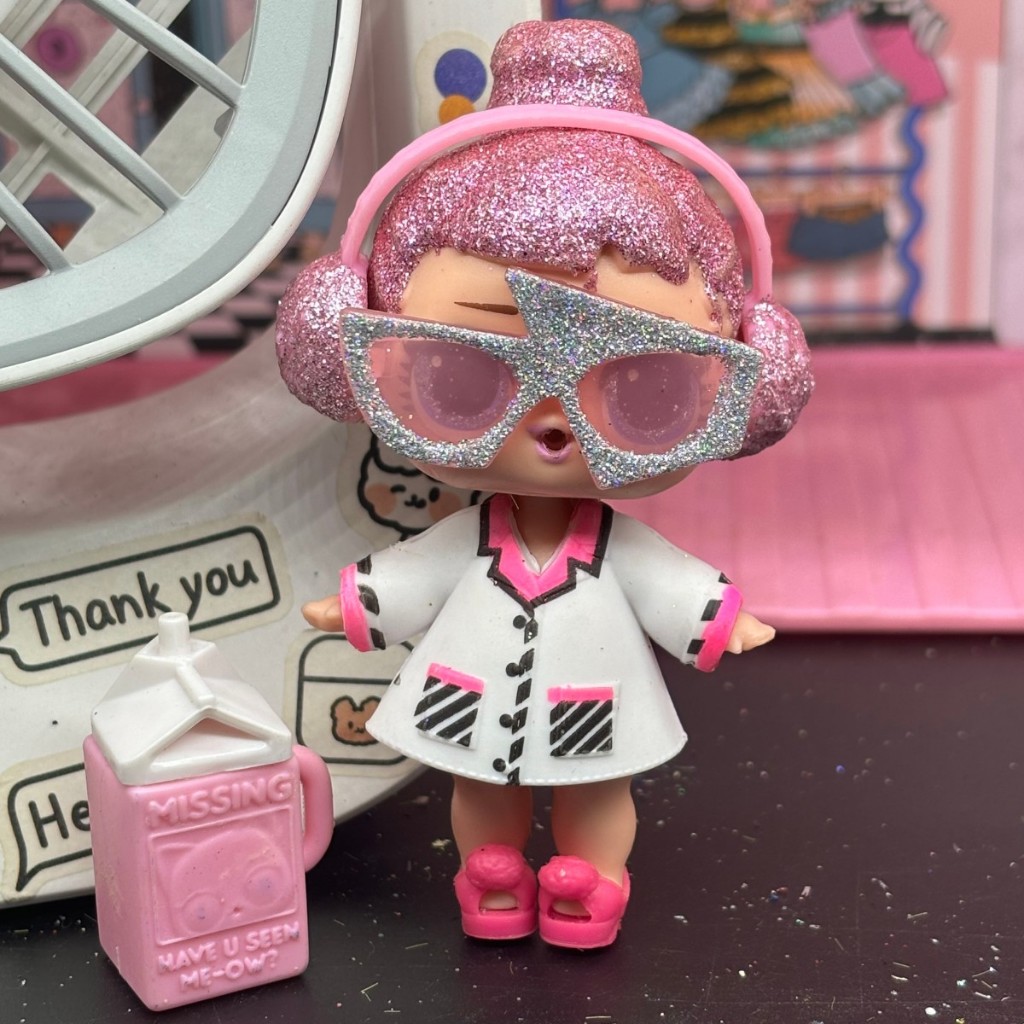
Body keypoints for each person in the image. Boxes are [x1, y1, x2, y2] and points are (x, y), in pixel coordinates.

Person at [276, 18, 812, 949]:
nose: (552, 422)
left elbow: (665, 582)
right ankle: (488, 877)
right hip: (468, 687)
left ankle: (593, 884)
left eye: (645, 390)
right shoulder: (474, 536)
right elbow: (421, 572)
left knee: (598, 789)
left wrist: (721, 617)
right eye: (462, 377)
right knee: (477, 784)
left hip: (592, 695)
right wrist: (357, 603)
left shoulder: (613, 547)